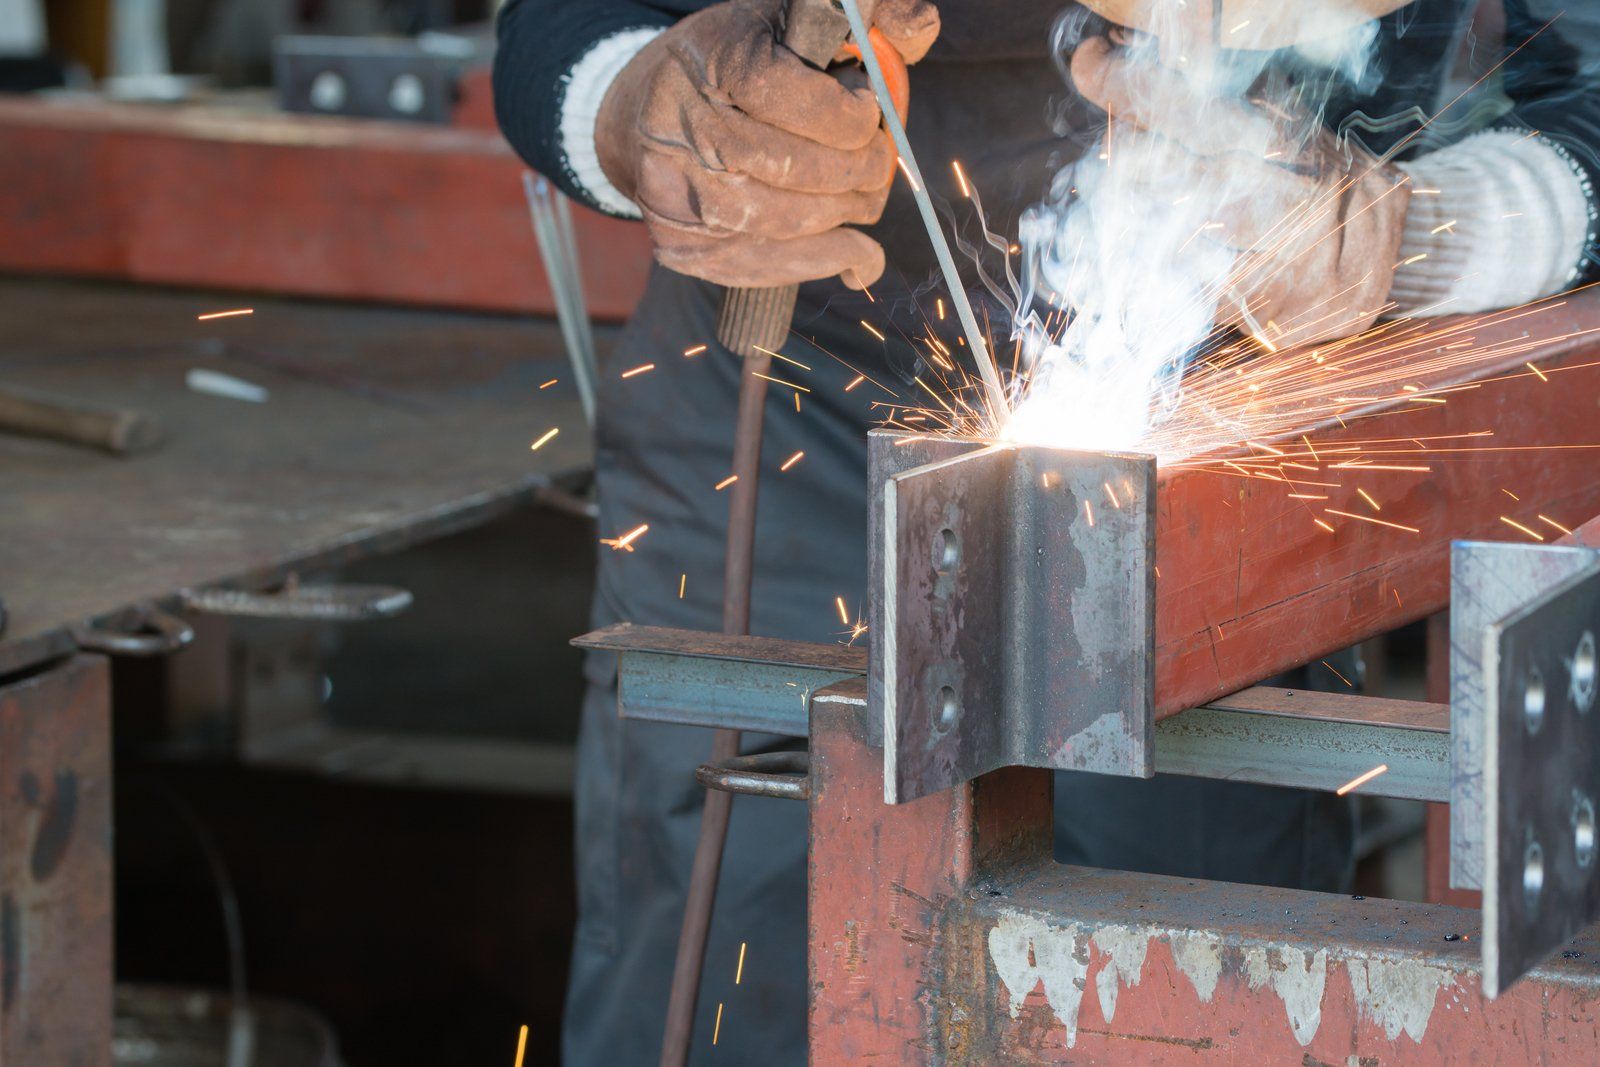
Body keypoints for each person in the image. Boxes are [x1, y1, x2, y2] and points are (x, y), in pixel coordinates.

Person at [493, 1, 1600, 1060]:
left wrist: (1415, 237)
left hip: (1229, 426)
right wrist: (649, 118)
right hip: (799, 391)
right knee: (753, 962)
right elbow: (562, 19)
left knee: (1174, 996)